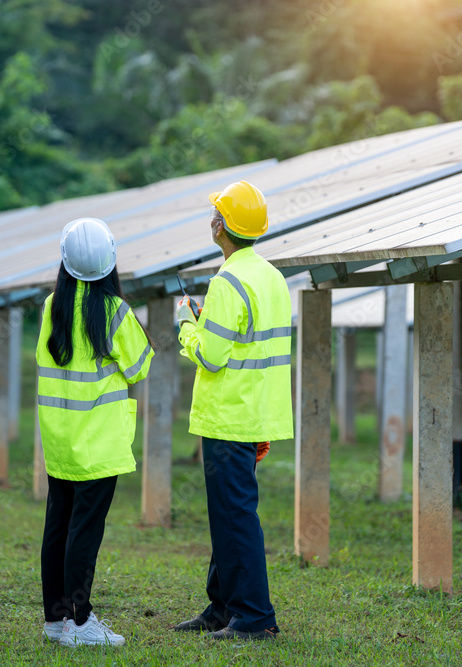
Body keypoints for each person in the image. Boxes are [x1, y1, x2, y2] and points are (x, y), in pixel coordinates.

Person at [173, 181, 293, 641]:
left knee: (234, 514)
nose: (211, 218)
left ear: (221, 226)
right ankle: (222, 607)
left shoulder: (227, 281)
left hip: (229, 415)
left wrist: (187, 325)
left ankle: (254, 617)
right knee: (230, 510)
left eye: (215, 213)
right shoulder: (270, 276)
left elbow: (212, 356)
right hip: (254, 411)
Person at [36, 218, 153, 647]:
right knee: (85, 532)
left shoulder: (52, 307)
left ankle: (56, 620)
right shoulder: (115, 312)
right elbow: (140, 365)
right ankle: (80, 625)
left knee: (58, 527)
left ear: (65, 264)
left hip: (61, 442)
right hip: (99, 446)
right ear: (111, 265)